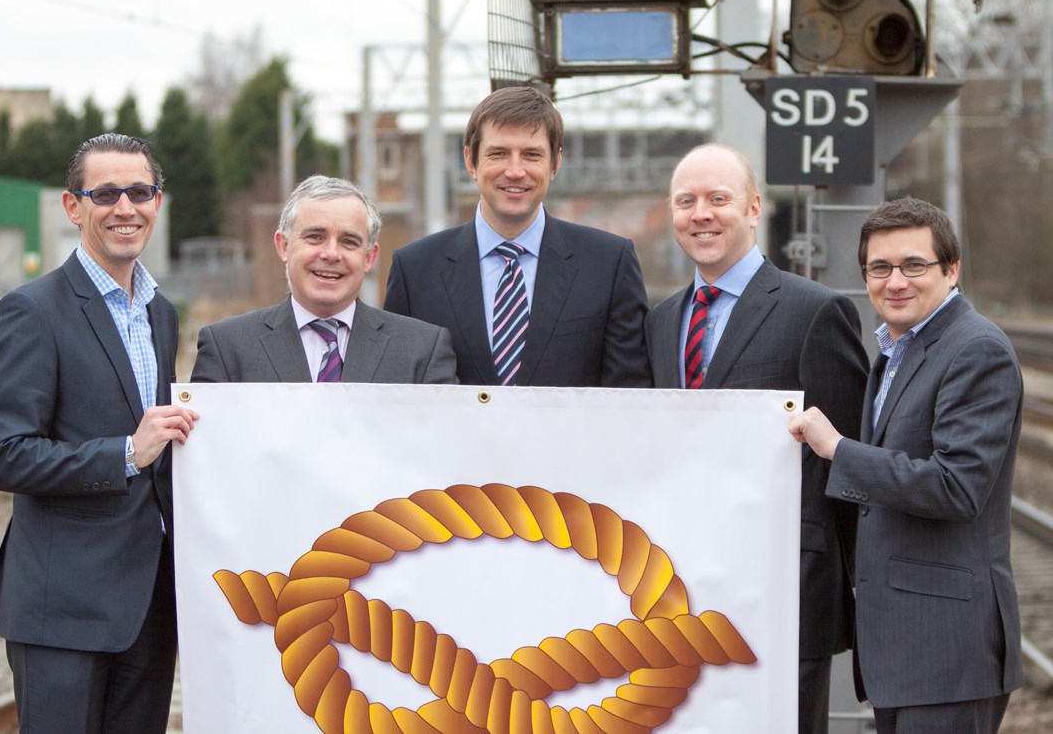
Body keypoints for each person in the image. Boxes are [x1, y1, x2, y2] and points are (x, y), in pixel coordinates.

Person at [0, 133, 199, 732]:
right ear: (74, 207)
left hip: (150, 606)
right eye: (105, 193)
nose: (124, 207)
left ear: (157, 201)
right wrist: (126, 452)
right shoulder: (31, 311)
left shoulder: (161, 312)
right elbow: (2, 455)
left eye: (140, 191)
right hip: (63, 610)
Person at [645, 143, 869, 734]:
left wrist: (852, 588)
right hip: (683, 591)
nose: (702, 214)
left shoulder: (815, 312)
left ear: (752, 209)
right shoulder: (661, 321)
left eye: (718, 199)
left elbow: (849, 461)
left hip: (786, 590)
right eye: (686, 201)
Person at [788, 196, 1023, 734]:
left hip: (947, 648)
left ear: (952, 269)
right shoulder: (896, 352)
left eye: (914, 265)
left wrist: (838, 450)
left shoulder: (975, 349)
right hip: (907, 650)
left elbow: (957, 488)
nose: (896, 281)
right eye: (880, 267)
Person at [383, 85, 650, 387]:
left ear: (555, 164)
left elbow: (630, 396)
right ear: (470, 161)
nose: (514, 171)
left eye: (531, 155)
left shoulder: (609, 264)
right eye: (498, 154)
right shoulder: (415, 269)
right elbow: (398, 393)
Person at [191, 175, 458, 384]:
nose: (331, 254)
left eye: (349, 241)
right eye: (315, 237)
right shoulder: (227, 348)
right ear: (283, 245)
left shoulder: (422, 351)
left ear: (369, 257)